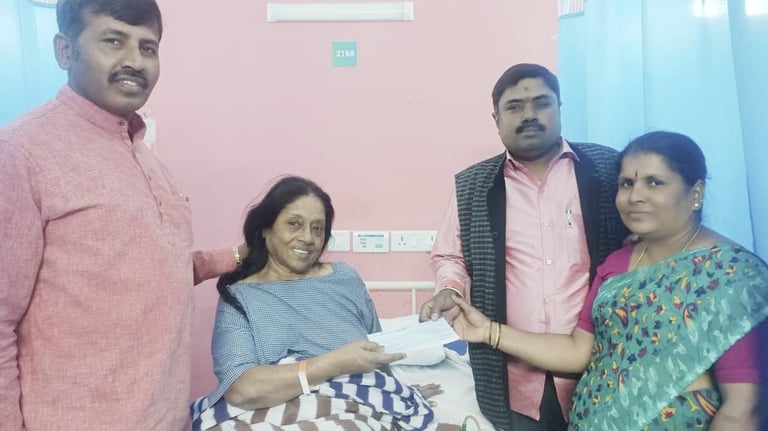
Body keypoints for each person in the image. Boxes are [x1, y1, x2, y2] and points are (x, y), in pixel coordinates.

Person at [0, 1, 241, 429]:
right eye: (114, 41)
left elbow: (143, 270)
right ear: (65, 51)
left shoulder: (144, 155)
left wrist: (239, 256)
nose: (135, 61)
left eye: (148, 47)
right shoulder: (21, 152)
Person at [449, 131, 768, 431]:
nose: (635, 196)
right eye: (626, 183)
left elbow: (743, 409)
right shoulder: (618, 264)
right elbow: (578, 350)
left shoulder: (732, 275)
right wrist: (489, 331)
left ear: (695, 193)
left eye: (654, 183)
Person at [418, 63, 628, 431]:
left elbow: (642, 237)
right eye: (514, 106)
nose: (529, 115)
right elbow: (450, 254)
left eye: (541, 103)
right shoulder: (472, 186)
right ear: (496, 119)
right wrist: (450, 289)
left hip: (603, 365)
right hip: (510, 375)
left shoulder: (608, 169)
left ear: (559, 108)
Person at [193, 176, 442, 431]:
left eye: (318, 228)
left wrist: (393, 392)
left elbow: (376, 351)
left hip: (352, 406)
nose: (308, 238)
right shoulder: (239, 297)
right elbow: (241, 389)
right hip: (270, 409)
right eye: (294, 224)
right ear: (265, 228)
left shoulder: (345, 279)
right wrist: (333, 363)